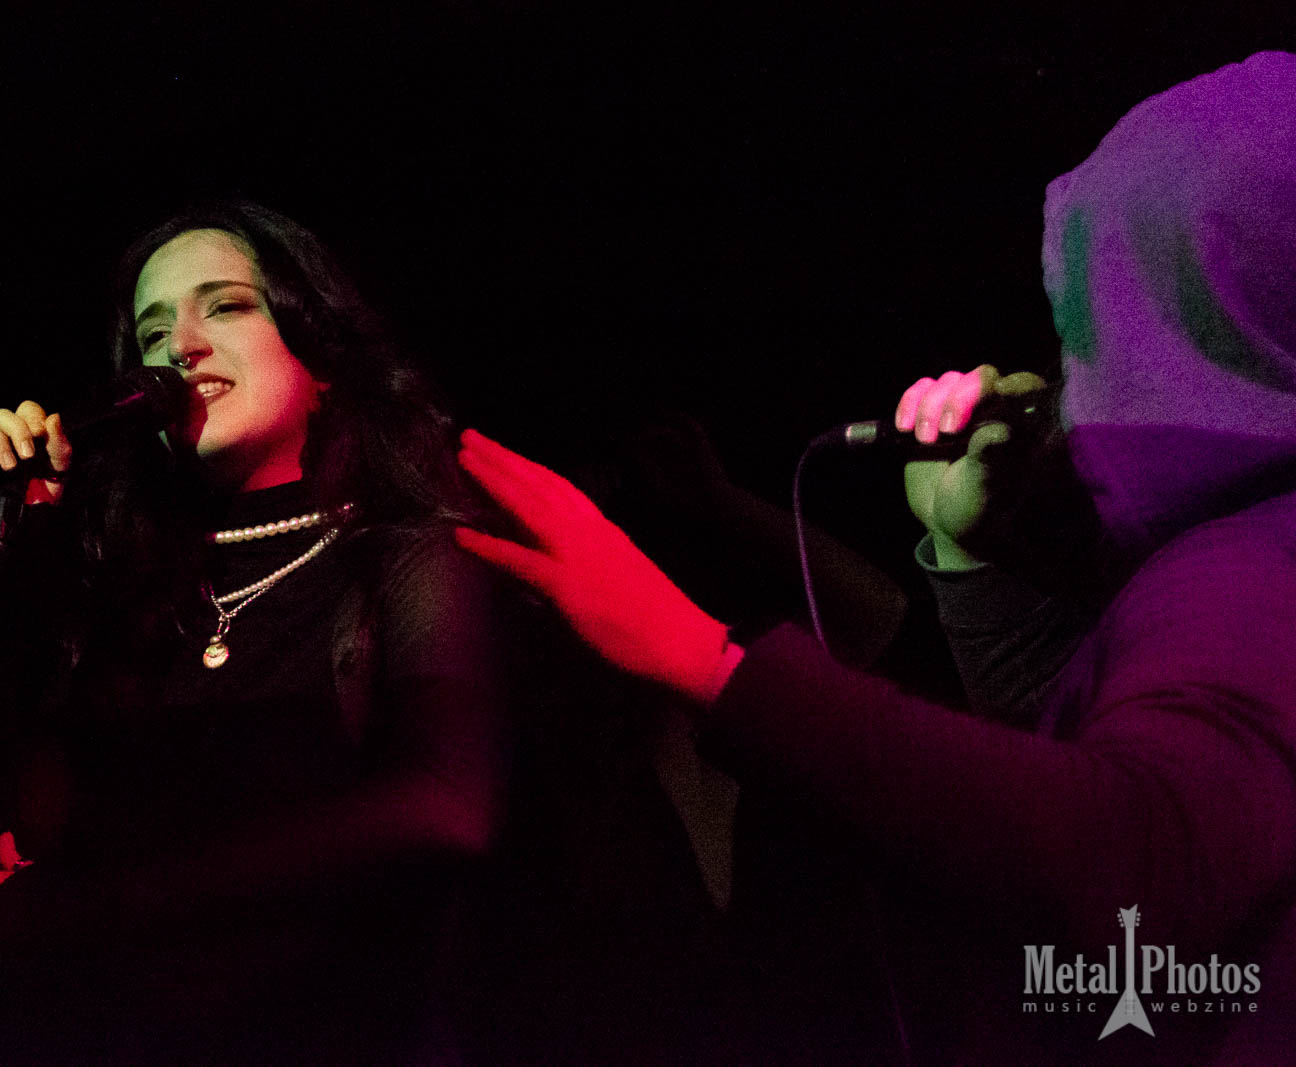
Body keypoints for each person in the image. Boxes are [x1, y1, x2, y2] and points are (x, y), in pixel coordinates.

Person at [455, 51, 1296, 1063]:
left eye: (1094, 327)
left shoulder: (1247, 569)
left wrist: (694, 653)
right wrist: (973, 552)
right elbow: (1084, 749)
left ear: (1210, 311)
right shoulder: (1237, 556)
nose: (1070, 379)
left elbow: (1135, 868)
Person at [0, 202, 512, 1063]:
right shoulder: (133, 578)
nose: (180, 348)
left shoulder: (406, 548)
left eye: (225, 306)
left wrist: (69, 907)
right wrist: (14, 546)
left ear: (320, 351)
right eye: (152, 333)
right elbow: (23, 820)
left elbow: (442, 806)